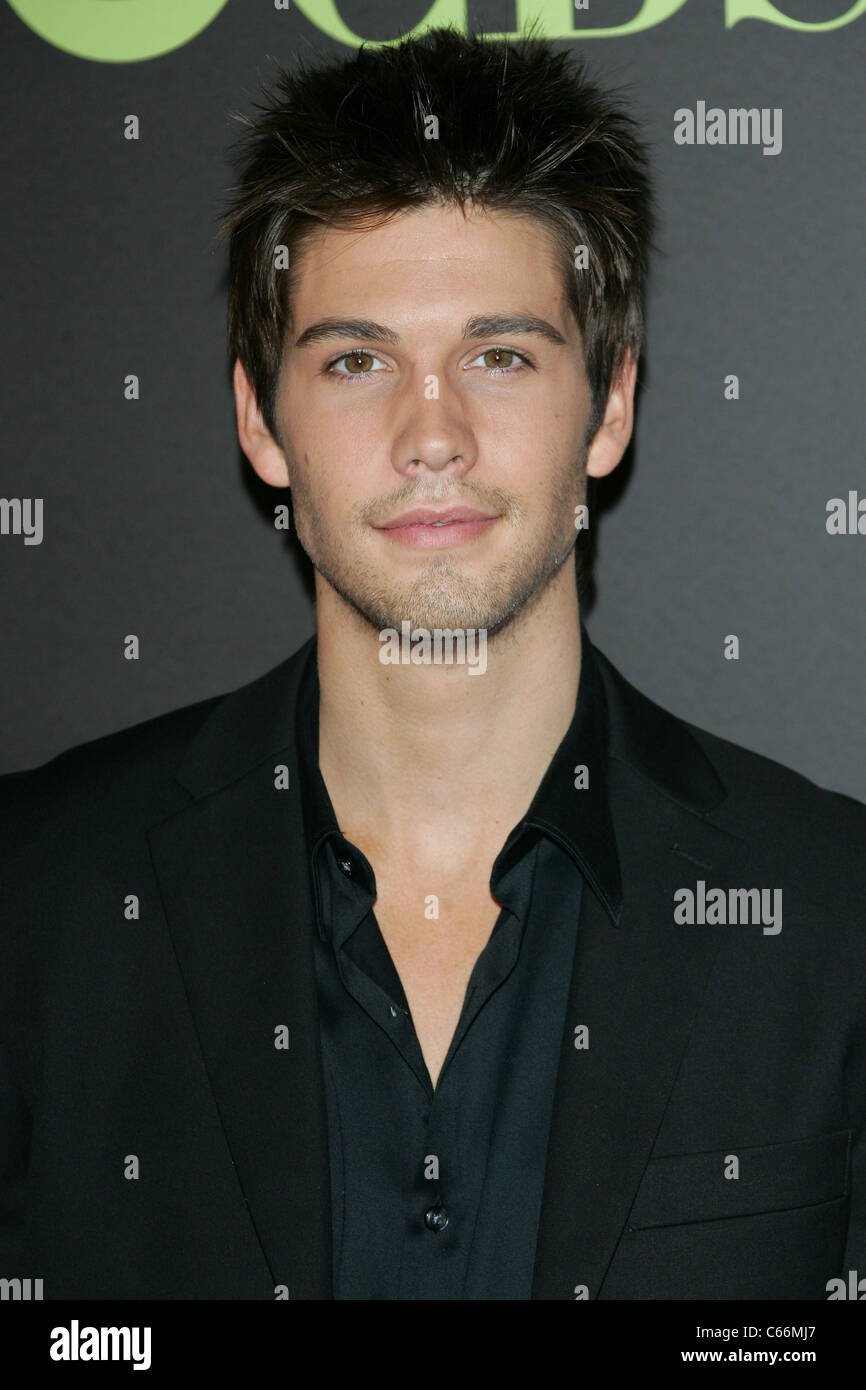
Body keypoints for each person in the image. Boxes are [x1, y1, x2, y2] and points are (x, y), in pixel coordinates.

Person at [1, 26, 864, 1302]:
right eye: (356, 359)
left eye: (499, 354)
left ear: (610, 404)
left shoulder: (831, 917)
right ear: (259, 419)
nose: (431, 432)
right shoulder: (40, 899)